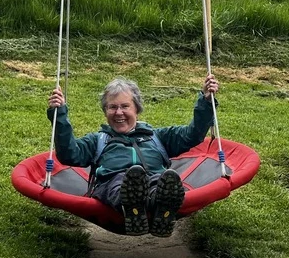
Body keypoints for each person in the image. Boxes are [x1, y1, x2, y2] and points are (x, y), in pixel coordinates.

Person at [47, 75, 219, 237]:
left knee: (160, 182)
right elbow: (69, 154)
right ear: (105, 111)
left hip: (153, 178)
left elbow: (193, 135)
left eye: (125, 106)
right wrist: (59, 115)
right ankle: (130, 203)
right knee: (123, 183)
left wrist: (205, 101)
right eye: (112, 107)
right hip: (113, 183)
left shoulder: (157, 137)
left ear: (137, 108)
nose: (118, 112)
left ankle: (158, 206)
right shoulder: (98, 141)